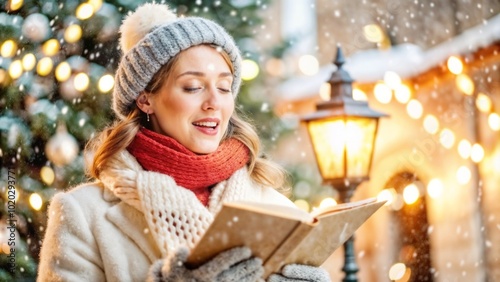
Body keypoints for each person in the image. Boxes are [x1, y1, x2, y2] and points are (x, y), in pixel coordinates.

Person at [37, 3, 331, 282]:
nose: (214, 102)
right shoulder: (81, 214)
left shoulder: (275, 209)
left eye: (225, 87)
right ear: (145, 98)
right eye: (193, 87)